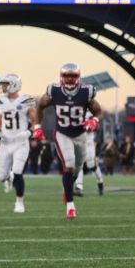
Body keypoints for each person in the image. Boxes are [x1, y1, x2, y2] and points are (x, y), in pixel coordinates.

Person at [33, 63, 103, 220]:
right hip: (62, 133)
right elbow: (40, 106)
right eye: (67, 76)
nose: (70, 79)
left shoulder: (87, 92)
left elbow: (98, 111)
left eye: (73, 76)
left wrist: (95, 120)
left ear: (78, 77)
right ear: (61, 76)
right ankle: (70, 206)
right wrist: (37, 127)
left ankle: (68, 189)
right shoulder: (54, 91)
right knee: (69, 164)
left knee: (77, 169)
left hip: (80, 135)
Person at [0, 74, 39, 214]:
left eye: (6, 84)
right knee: (0, 177)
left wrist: (29, 132)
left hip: (20, 142)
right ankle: (8, 177)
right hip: (5, 143)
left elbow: (35, 120)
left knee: (18, 171)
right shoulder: (1, 101)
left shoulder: (26, 100)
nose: (3, 87)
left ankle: (19, 202)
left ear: (14, 84)